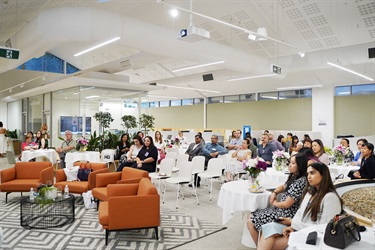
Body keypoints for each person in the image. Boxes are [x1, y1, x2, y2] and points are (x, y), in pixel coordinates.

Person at [257, 162, 343, 250]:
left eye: (312, 173)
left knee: (268, 243)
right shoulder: (310, 192)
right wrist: (293, 226)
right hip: (300, 229)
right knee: (269, 228)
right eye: (307, 174)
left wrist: (293, 224)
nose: (308, 176)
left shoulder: (330, 198)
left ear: (323, 175)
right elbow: (299, 212)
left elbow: (325, 228)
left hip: (314, 236)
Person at [247, 153, 308, 245]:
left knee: (251, 222)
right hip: (281, 210)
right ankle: (261, 246)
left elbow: (287, 204)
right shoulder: (294, 176)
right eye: (290, 163)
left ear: (300, 165)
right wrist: (275, 192)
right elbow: (284, 186)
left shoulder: (301, 181)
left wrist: (274, 203)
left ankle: (260, 246)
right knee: (251, 216)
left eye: (293, 163)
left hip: (287, 214)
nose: (290, 165)